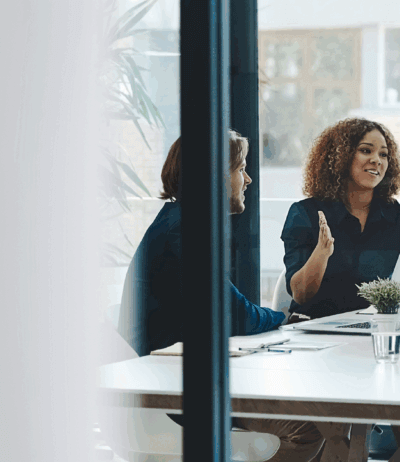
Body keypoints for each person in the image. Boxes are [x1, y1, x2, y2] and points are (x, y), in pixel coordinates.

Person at [117, 131, 323, 462]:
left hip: (181, 378)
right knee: (309, 427)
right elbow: (234, 313)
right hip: (172, 394)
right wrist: (285, 318)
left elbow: (225, 307)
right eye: (240, 168)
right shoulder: (183, 232)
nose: (249, 178)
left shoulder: (180, 222)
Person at [280, 117, 400, 323]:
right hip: (315, 329)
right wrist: (321, 254)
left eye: (384, 154)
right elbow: (301, 295)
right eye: (366, 150)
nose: (377, 160)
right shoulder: (305, 213)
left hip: (378, 328)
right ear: (340, 156)